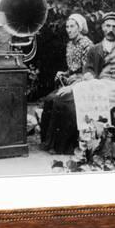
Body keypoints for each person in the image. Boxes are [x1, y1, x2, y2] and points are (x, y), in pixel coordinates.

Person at [42, 12, 115, 155]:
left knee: (76, 95)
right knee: (66, 100)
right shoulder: (96, 48)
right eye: (107, 26)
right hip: (100, 83)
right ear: (103, 28)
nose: (110, 30)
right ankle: (63, 145)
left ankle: (80, 144)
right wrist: (88, 74)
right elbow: (89, 68)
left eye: (114, 27)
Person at [40, 14, 94, 153]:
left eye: (72, 26)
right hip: (71, 82)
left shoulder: (87, 44)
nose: (68, 30)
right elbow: (72, 69)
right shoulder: (70, 44)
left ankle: (60, 147)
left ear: (79, 28)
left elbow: (88, 73)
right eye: (67, 27)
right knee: (48, 100)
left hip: (83, 84)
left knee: (59, 101)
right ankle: (48, 142)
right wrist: (64, 73)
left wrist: (74, 82)